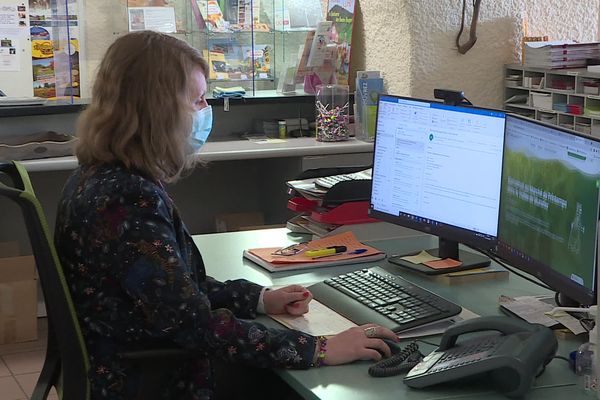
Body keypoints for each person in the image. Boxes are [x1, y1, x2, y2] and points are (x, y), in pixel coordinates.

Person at [54, 30, 397, 400]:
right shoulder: (127, 198)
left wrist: (260, 299)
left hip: (131, 361)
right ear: (159, 108)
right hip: (150, 378)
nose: (206, 112)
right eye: (197, 99)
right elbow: (193, 323)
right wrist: (320, 348)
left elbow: (174, 291)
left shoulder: (99, 176)